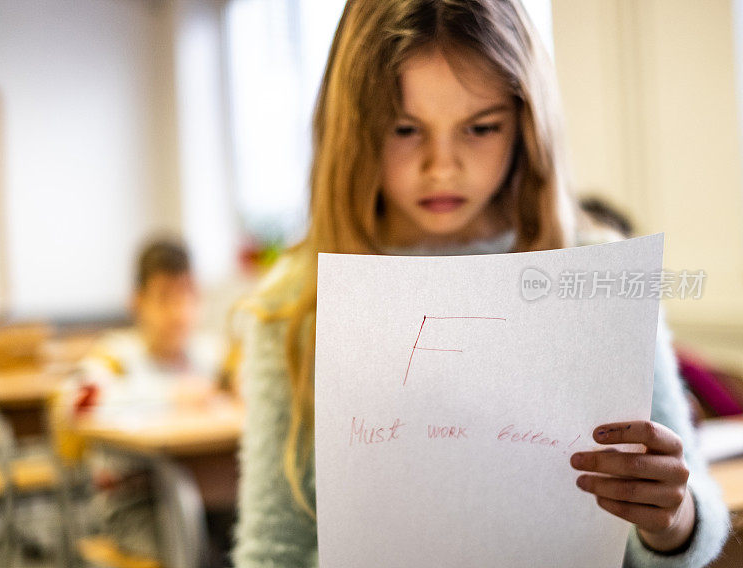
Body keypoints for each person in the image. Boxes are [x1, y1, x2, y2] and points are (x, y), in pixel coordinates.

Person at [230, 1, 730, 567]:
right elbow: (275, 548)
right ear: (352, 129)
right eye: (404, 129)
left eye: (480, 127)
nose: (442, 167)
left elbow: (679, 511)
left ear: (526, 122)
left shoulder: (597, 274)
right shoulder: (296, 302)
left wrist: (673, 520)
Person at [62, 237, 228, 563]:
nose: (179, 312)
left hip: (208, 498)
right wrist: (169, 396)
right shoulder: (115, 356)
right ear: (137, 301)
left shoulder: (211, 355)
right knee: (200, 553)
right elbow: (76, 404)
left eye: (186, 296)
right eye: (164, 299)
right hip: (134, 504)